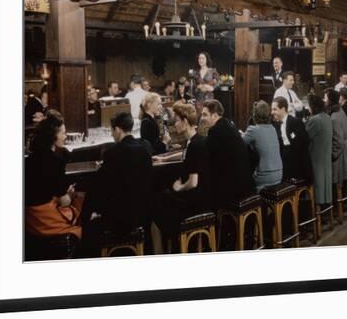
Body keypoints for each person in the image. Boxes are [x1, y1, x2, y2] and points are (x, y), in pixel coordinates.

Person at [81, 112, 154, 254]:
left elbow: (100, 187)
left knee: (88, 224)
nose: (112, 135)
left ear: (118, 129)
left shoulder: (112, 152)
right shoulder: (146, 148)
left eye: (111, 131)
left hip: (121, 218)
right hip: (144, 213)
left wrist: (88, 212)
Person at [151, 102, 211, 253]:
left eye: (177, 120)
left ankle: (163, 253)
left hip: (195, 201)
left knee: (154, 206)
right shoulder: (198, 140)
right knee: (162, 197)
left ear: (185, 122)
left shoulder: (194, 146)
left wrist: (179, 187)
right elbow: (185, 153)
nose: (174, 124)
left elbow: (193, 182)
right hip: (204, 196)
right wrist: (165, 159)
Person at [25, 110, 84, 246]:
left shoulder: (29, 160)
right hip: (46, 221)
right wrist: (70, 193)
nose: (65, 136)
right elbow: (64, 202)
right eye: (63, 133)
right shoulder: (55, 161)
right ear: (53, 136)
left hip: (30, 220)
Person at [201, 99, 254, 209]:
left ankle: (211, 223)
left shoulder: (215, 130)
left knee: (204, 190)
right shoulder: (229, 124)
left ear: (214, 115)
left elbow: (206, 156)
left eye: (205, 115)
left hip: (234, 189)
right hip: (246, 183)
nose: (202, 118)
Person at [241, 101, 283, 191]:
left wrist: (239, 134)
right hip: (279, 175)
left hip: (265, 177)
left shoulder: (253, 130)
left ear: (254, 114)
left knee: (242, 182)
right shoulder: (273, 129)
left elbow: (239, 143)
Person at [271, 96, 313, 183]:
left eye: (275, 109)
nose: (272, 112)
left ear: (283, 109)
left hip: (298, 166)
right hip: (285, 163)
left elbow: (303, 145)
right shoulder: (275, 125)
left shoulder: (296, 122)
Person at [306, 95, 333, 205]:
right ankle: (325, 208)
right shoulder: (326, 116)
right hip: (325, 155)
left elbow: (306, 137)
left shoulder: (315, 120)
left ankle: (312, 207)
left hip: (316, 158)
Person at [324, 89, 347, 185]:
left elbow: (338, 142)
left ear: (330, 100)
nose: (323, 100)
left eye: (325, 98)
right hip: (346, 152)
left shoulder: (334, 117)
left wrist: (331, 155)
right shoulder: (340, 110)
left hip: (341, 158)